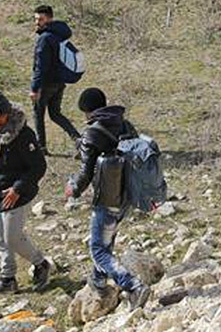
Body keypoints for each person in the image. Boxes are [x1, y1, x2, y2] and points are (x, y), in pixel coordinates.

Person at [64, 88, 150, 309]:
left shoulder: (92, 133)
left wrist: (72, 189)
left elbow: (85, 172)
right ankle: (99, 282)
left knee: (98, 249)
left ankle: (133, 285)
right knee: (106, 241)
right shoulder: (124, 123)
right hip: (127, 195)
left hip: (107, 198)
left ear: (86, 111)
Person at [0, 91, 51, 294]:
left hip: (19, 193)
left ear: (7, 113)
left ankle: (41, 264)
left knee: (12, 237)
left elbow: (39, 167)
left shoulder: (23, 135)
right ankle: (8, 278)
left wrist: (18, 188)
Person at [30, 5, 80, 154]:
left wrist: (34, 88)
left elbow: (41, 67)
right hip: (59, 82)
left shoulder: (45, 38)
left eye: (41, 19)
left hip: (46, 84)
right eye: (36, 19)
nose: (37, 22)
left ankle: (42, 148)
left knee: (38, 114)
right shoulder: (59, 34)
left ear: (49, 19)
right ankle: (80, 141)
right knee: (56, 114)